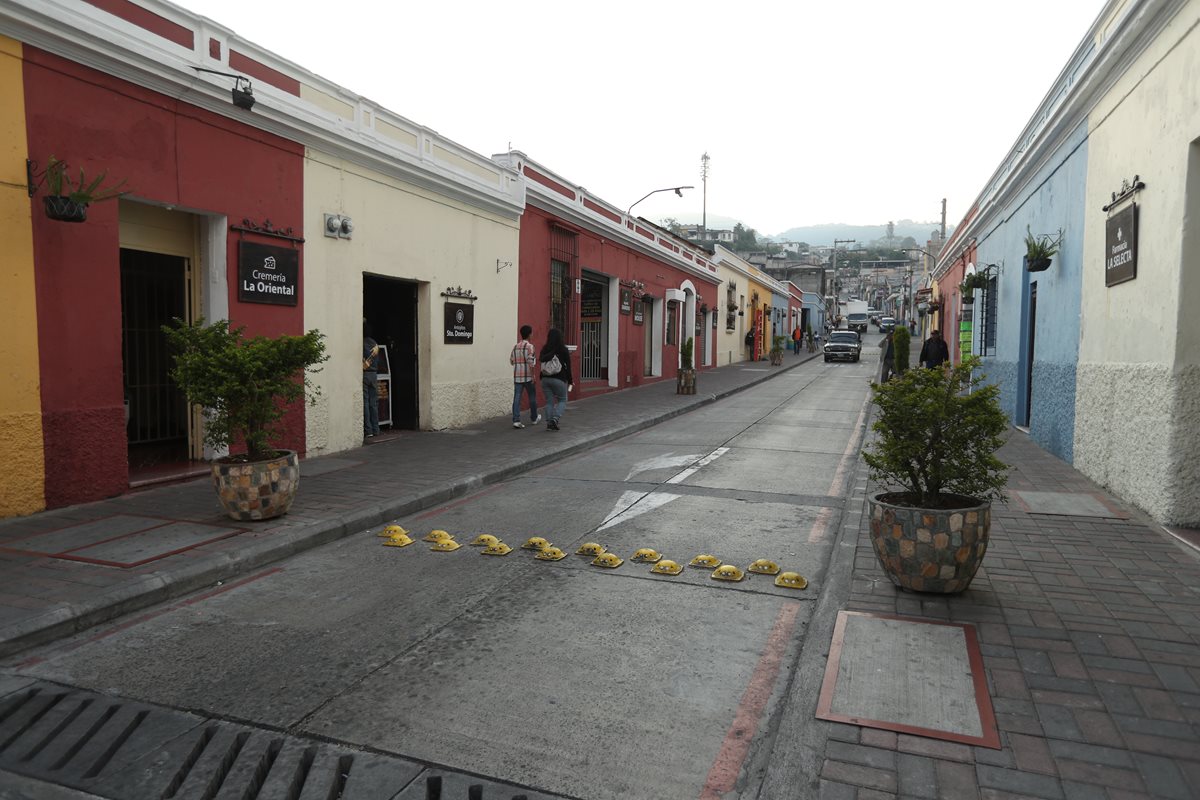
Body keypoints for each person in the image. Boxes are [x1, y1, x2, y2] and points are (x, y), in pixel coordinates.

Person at [539, 327, 573, 431]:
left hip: (545, 379)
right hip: (559, 378)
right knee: (562, 400)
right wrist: (570, 380)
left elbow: (541, 359)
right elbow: (568, 366)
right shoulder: (563, 349)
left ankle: (549, 424)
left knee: (549, 402)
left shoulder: (545, 348)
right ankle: (555, 418)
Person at [509, 324, 540, 428]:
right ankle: (534, 418)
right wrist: (533, 376)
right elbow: (531, 363)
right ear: (529, 334)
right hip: (527, 376)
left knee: (517, 397)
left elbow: (511, 361)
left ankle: (516, 420)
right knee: (532, 397)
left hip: (517, 376)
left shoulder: (515, 347)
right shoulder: (530, 347)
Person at [362, 321, 381, 439]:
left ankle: (368, 430)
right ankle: (376, 429)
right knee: (373, 403)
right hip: (374, 374)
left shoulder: (361, 343)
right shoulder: (375, 344)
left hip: (364, 374)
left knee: (365, 403)